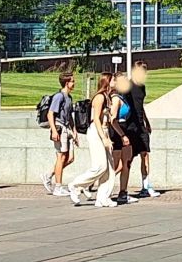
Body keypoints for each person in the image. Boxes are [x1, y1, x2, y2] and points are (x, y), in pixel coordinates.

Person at [68, 72, 116, 207]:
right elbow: (95, 119)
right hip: (96, 132)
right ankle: (76, 185)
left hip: (104, 131)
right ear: (107, 82)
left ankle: (103, 197)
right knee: (100, 166)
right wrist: (104, 138)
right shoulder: (100, 97)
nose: (116, 83)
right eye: (114, 80)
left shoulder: (108, 97)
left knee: (110, 168)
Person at [42, 72, 79, 197]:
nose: (74, 83)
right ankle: (58, 186)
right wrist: (53, 130)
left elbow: (70, 116)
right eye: (72, 81)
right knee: (61, 157)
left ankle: (49, 175)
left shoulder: (69, 98)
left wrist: (74, 131)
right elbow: (50, 113)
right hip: (59, 127)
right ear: (67, 83)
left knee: (70, 158)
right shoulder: (59, 96)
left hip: (67, 127)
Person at [129, 61, 160, 198]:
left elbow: (140, 106)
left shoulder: (142, 87)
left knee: (145, 154)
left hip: (141, 126)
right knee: (126, 159)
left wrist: (146, 121)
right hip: (130, 126)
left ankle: (146, 186)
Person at [109, 72, 138, 205]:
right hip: (118, 131)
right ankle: (104, 190)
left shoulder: (124, 97)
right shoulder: (115, 99)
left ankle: (123, 192)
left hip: (125, 129)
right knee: (114, 164)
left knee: (126, 163)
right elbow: (112, 119)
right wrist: (122, 135)